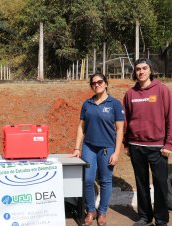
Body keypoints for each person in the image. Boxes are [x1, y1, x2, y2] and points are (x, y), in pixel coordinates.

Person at [123, 58, 172, 226]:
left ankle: (161, 219)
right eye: (138, 69)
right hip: (136, 146)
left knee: (160, 185)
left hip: (158, 148)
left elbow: (170, 118)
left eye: (144, 68)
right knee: (141, 183)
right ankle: (145, 217)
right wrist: (126, 143)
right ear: (135, 72)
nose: (141, 72)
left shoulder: (162, 90)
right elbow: (126, 120)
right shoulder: (130, 94)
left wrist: (169, 144)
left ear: (151, 70)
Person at [72, 73, 124, 226]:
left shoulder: (114, 104)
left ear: (106, 83)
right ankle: (90, 211)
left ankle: (102, 212)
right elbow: (81, 127)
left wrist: (117, 152)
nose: (97, 85)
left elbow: (120, 130)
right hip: (89, 147)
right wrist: (77, 148)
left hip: (107, 148)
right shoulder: (87, 104)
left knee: (105, 181)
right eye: (93, 83)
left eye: (100, 82)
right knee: (88, 180)